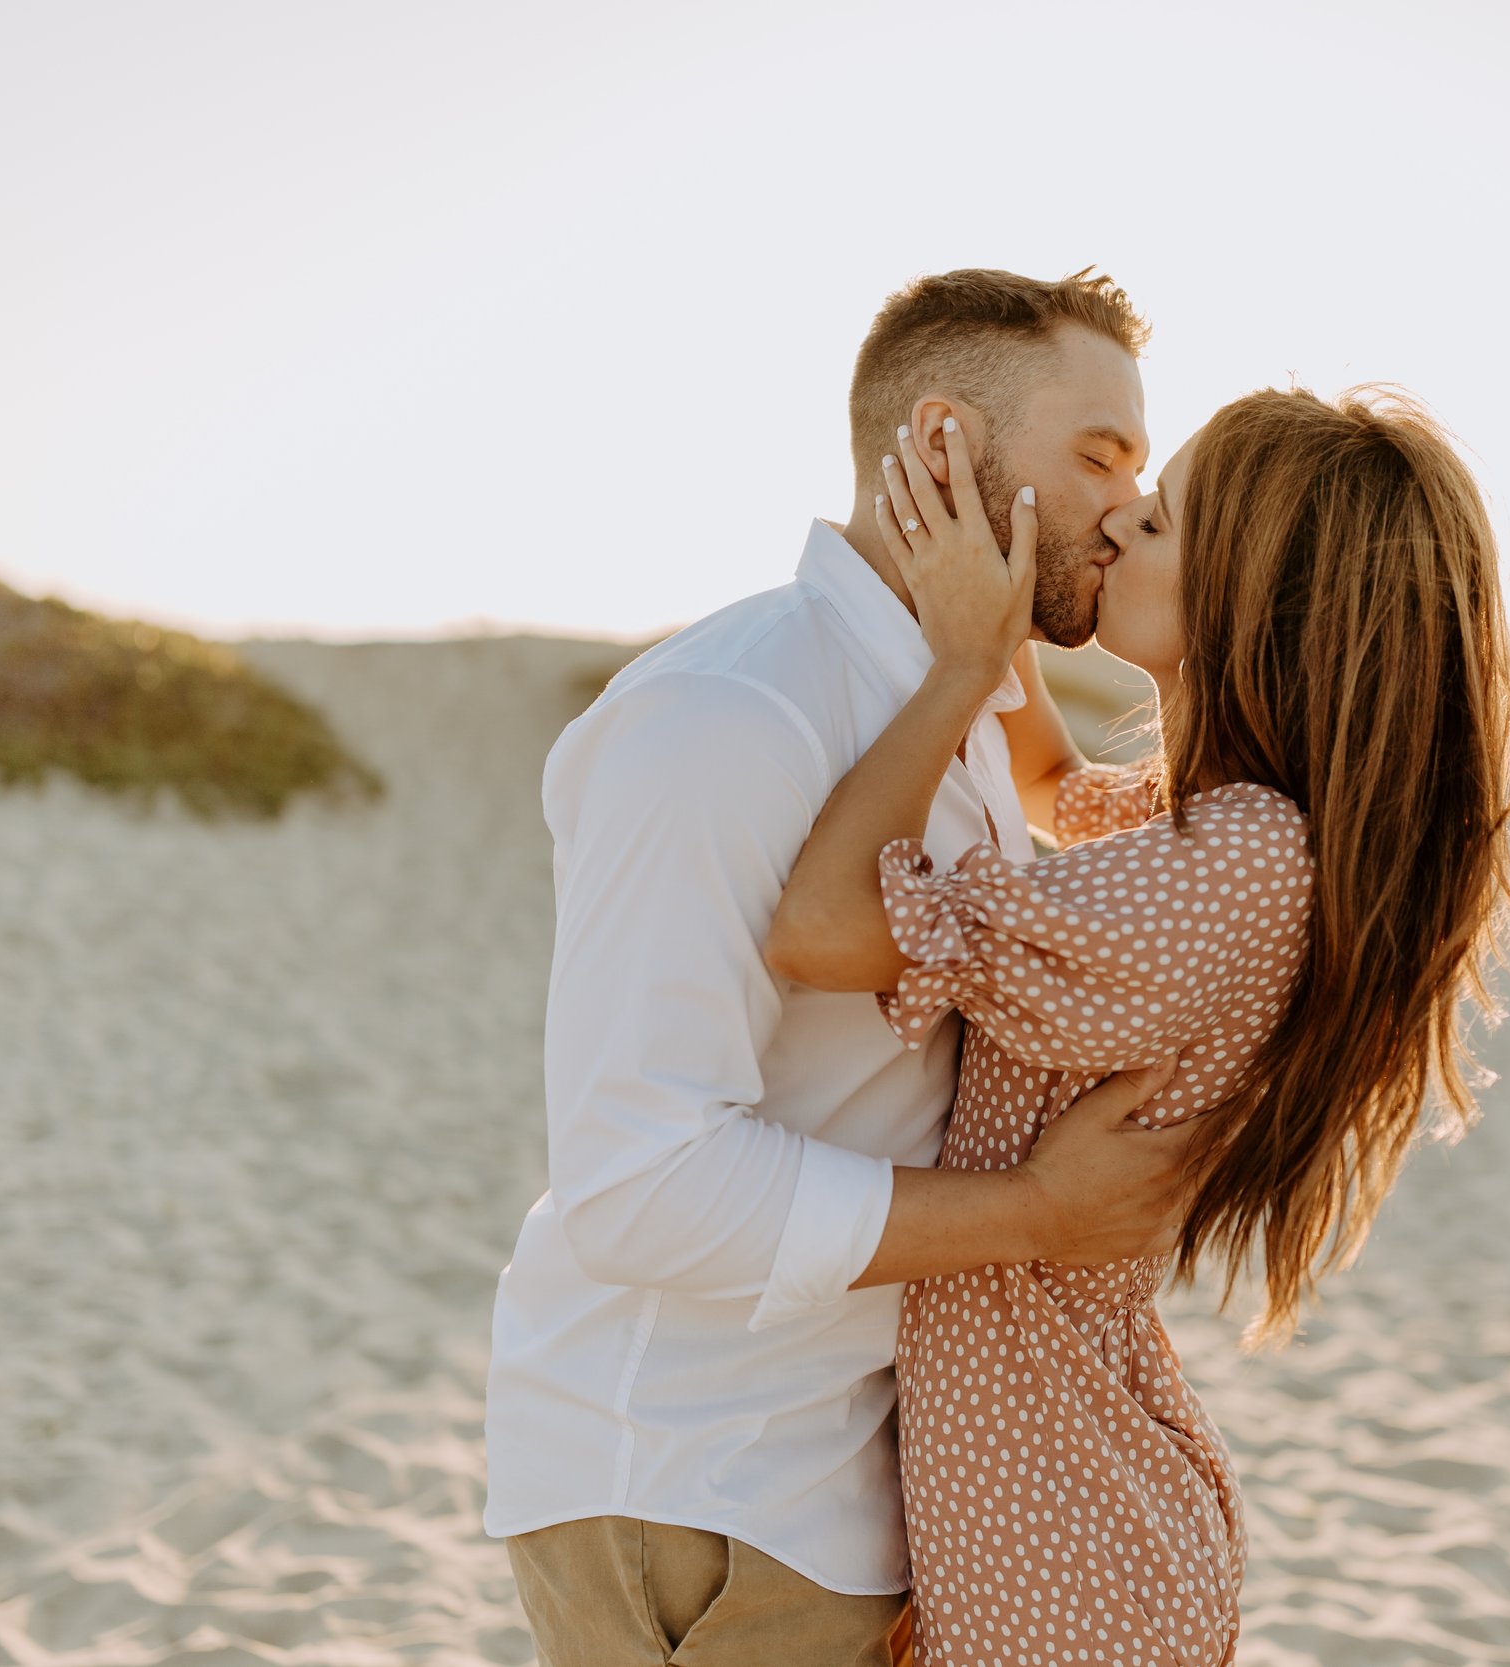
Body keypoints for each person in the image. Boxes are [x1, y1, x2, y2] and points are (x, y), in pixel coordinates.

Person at [766, 384, 1510, 1664]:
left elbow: (824, 926)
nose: (1121, 519)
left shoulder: (1240, 859)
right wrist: (999, 579)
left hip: (1065, 1533)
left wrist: (963, 661)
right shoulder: (1233, 829)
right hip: (1063, 1490)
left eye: (1166, 517)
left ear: (1260, 596)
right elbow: (1047, 783)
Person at [484, 268, 1202, 1667]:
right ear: (943, 446)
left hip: (846, 1481)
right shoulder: (727, 714)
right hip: (701, 1481)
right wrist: (1039, 1213)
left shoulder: (970, 708)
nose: (1127, 507)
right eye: (1099, 456)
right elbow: (638, 1180)